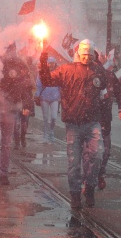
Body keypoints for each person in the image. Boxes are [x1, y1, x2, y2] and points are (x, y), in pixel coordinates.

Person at [39, 39, 107, 209]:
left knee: (97, 155)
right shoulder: (66, 70)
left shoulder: (97, 70)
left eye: (90, 55)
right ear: (78, 54)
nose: (86, 58)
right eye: (84, 55)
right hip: (73, 124)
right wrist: (43, 59)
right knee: (74, 162)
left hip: (92, 122)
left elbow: (105, 84)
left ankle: (90, 187)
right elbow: (47, 80)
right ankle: (75, 194)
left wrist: (99, 62)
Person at [0, 45, 33, 185]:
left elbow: (26, 85)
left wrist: (27, 105)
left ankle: (4, 172)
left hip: (10, 107)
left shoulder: (19, 65)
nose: (9, 52)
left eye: (11, 49)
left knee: (6, 143)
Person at [94, 59, 121, 197]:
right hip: (87, 118)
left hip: (105, 118)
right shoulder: (82, 74)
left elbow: (119, 92)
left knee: (106, 151)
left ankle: (100, 174)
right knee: (89, 153)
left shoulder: (108, 75)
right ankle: (87, 179)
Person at [36, 57, 61, 143]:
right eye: (49, 63)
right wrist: (37, 95)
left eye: (52, 63)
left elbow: (61, 85)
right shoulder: (42, 73)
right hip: (44, 98)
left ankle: (51, 132)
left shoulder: (58, 73)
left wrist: (62, 95)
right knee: (45, 118)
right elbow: (38, 85)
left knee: (54, 117)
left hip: (55, 98)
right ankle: (45, 134)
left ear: (55, 63)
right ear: (46, 64)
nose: (51, 65)